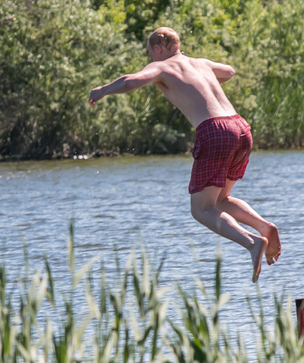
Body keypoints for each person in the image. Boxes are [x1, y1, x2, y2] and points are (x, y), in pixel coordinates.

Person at [88, 27, 281, 282]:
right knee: (220, 200)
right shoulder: (199, 64)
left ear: (158, 49)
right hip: (241, 128)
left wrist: (103, 89)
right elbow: (229, 71)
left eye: (151, 53)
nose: (151, 59)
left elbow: (131, 81)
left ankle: (252, 242)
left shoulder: (162, 67)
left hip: (214, 131)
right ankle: (264, 226)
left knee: (201, 210)